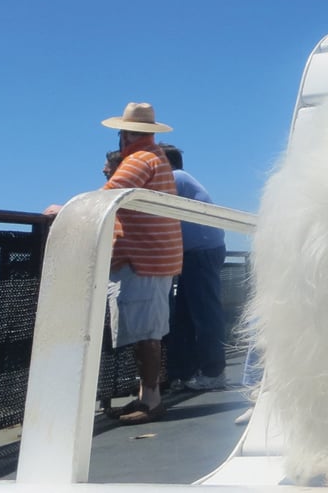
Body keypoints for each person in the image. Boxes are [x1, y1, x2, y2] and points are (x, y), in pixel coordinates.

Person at [99, 102, 182, 424]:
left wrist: (65, 209)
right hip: (152, 258)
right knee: (147, 332)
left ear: (127, 133)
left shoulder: (140, 158)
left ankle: (151, 401)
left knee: (146, 334)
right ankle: (145, 396)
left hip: (143, 260)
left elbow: (110, 194)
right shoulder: (155, 156)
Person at [160, 144, 228, 390]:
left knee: (204, 314)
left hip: (201, 252)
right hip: (195, 253)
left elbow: (155, 211)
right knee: (185, 316)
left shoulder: (175, 178)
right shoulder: (181, 180)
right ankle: (186, 373)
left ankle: (214, 372)